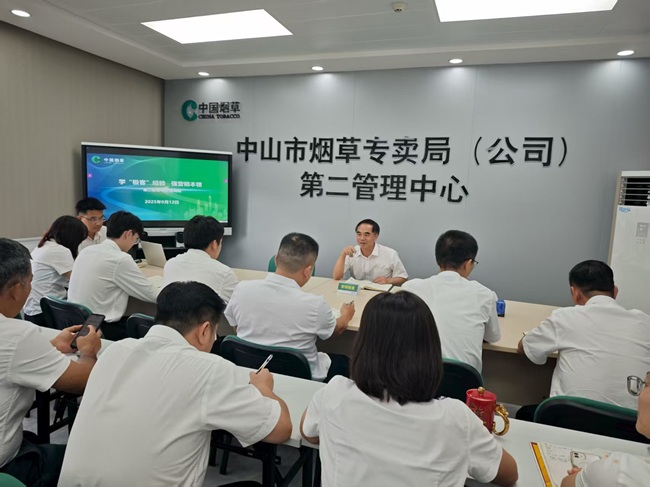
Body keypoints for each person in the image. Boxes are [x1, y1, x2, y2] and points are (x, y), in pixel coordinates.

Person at [59, 281, 292, 486]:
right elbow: (280, 430)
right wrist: (262, 387)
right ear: (205, 331)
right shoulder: (210, 369)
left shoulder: (116, 351)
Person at [300, 291, 518, 487]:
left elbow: (308, 432)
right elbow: (509, 475)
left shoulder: (335, 393)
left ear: (362, 346)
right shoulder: (456, 418)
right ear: (430, 350)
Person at [0, 238, 101, 487]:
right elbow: (82, 381)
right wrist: (88, 351)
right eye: (30, 282)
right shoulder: (16, 335)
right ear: (16, 289)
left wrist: (49, 347)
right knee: (92, 462)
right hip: (7, 464)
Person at [517, 260, 650, 414]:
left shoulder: (565, 317)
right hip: (629, 424)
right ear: (615, 291)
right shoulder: (645, 323)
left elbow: (524, 347)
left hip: (570, 419)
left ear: (575, 293)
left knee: (524, 412)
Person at [225, 233, 355, 382]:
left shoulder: (242, 289)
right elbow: (335, 330)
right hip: (301, 378)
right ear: (308, 271)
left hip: (250, 370)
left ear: (276, 259)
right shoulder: (315, 304)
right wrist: (346, 315)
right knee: (345, 362)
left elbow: (235, 327)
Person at [402, 230, 500, 372]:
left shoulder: (410, 288)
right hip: (463, 380)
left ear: (438, 260)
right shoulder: (485, 294)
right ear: (468, 263)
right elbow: (492, 337)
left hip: (414, 376)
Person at [68, 211, 158, 341]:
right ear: (128, 234)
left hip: (78, 324)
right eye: (136, 239)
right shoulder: (120, 259)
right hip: (102, 329)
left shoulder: (86, 251)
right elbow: (152, 295)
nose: (134, 243)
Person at [560, 372, 650, 487]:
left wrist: (594, 476)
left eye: (646, 384)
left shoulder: (621, 472)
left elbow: (566, 484)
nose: (639, 393)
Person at [23, 217, 88, 326]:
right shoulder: (59, 250)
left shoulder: (44, 245)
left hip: (33, 310)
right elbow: (76, 281)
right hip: (44, 313)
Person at [163, 215, 238, 302]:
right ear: (214, 244)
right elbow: (236, 306)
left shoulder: (170, 264)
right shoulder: (224, 273)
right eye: (220, 242)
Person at [332, 219, 408, 285]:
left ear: (376, 236)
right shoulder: (352, 252)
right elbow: (336, 277)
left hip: (381, 293)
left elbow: (403, 278)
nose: (362, 238)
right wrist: (343, 254)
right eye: (359, 234)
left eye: (366, 235)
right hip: (358, 292)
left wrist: (388, 280)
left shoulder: (390, 254)